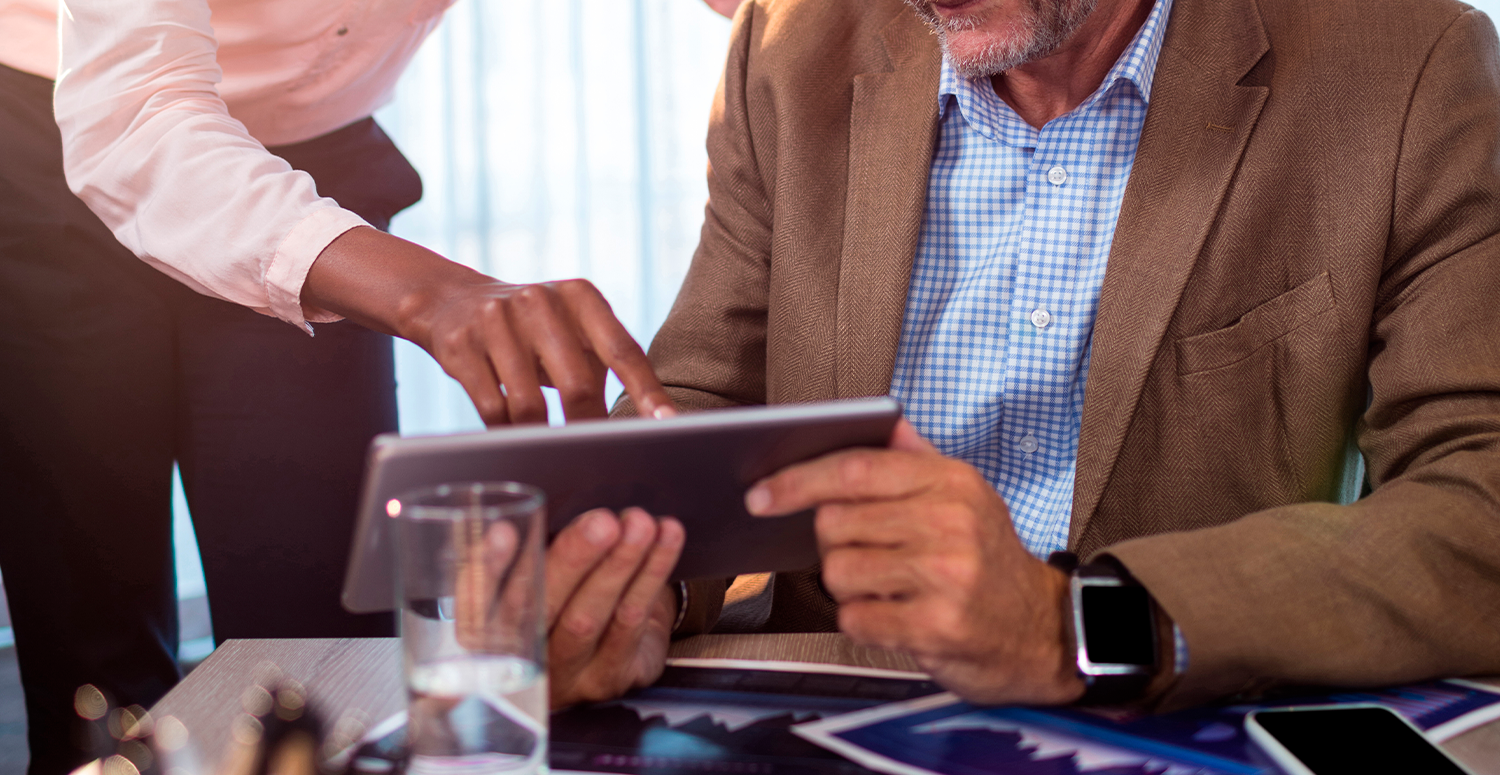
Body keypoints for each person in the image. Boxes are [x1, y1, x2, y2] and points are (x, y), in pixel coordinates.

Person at [626, 0, 1500, 711]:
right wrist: (629, 593)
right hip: (822, 712)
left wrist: (1075, 626)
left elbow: (1480, 503)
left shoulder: (1409, 66)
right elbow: (704, 394)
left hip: (1170, 712)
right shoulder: (787, 43)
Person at [0, 1, 735, 770]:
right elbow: (137, 112)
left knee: (323, 659)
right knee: (97, 675)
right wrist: (430, 295)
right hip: (75, 127)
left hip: (313, 151)